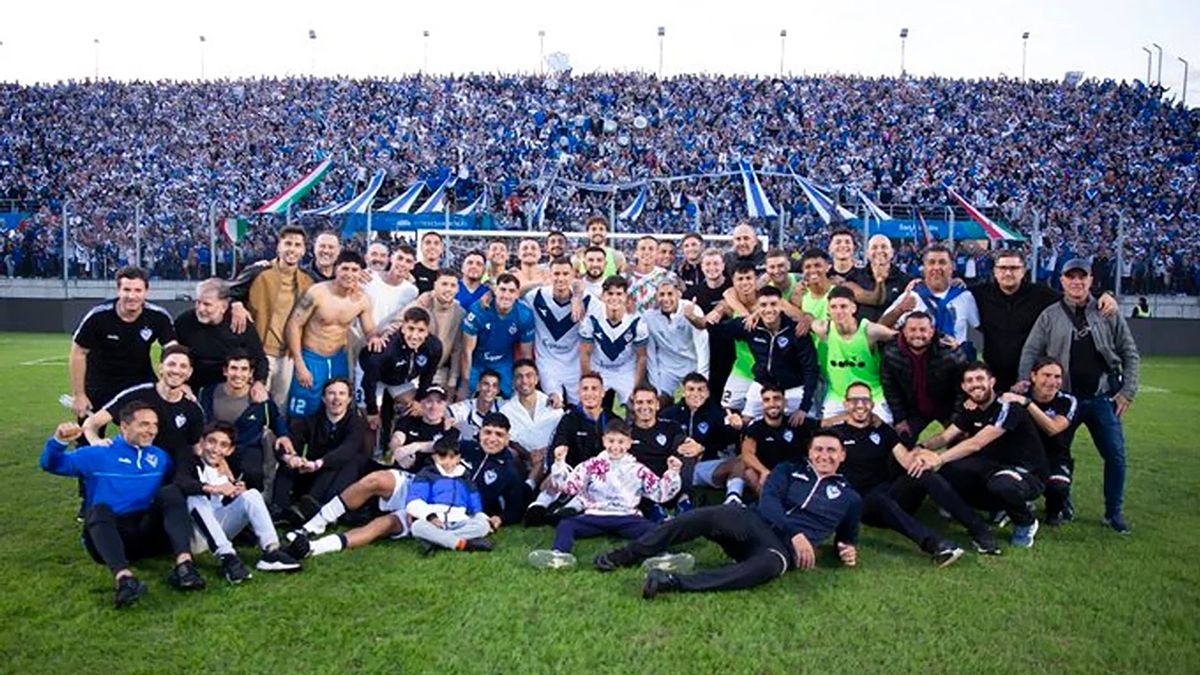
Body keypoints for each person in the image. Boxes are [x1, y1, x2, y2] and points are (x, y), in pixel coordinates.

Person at [593, 431, 861, 598]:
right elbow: (768, 503)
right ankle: (622, 556)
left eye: (831, 450)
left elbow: (846, 540)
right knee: (704, 516)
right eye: (819, 449)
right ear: (810, 452)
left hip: (778, 550)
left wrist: (846, 551)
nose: (824, 455)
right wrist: (796, 533)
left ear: (843, 455)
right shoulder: (788, 469)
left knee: (767, 567)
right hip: (753, 522)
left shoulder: (850, 498)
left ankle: (671, 583)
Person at [40, 405, 205, 608]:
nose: (151, 430)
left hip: (147, 532)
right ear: (124, 427)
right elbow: (51, 464)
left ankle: (184, 567)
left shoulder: (159, 457)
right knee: (98, 509)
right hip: (110, 535)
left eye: (155, 425)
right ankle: (124, 579)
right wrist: (58, 441)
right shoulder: (98, 454)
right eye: (144, 424)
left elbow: (183, 480)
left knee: (171, 492)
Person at [1018, 258, 1139, 533]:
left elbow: (1130, 353)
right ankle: (1061, 504)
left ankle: (1113, 511)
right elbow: (1030, 352)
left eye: (1081, 277)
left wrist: (1127, 392)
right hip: (1063, 400)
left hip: (1102, 398)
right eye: (1070, 277)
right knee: (1057, 454)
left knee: (1116, 456)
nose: (1076, 282)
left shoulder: (1108, 311)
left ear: (1090, 280)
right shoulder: (1050, 315)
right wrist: (1026, 385)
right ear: (1062, 280)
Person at [828, 382, 997, 563]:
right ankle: (936, 545)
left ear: (871, 404)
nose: (860, 405)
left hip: (891, 492)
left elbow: (906, 460)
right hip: (865, 504)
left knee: (923, 473)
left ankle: (980, 531)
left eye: (865, 400)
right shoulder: (835, 434)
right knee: (878, 499)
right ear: (846, 404)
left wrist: (921, 459)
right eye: (854, 400)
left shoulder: (883, 430)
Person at [909, 363, 1048, 548]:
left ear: (992, 382)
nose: (975, 385)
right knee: (946, 475)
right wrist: (920, 447)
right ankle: (994, 510)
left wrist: (938, 458)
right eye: (970, 381)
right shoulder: (971, 408)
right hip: (992, 467)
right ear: (964, 387)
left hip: (1026, 471)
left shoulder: (1007, 407)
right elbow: (945, 436)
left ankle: (1026, 522)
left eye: (980, 379)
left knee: (1002, 484)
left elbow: (976, 444)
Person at [529, 419, 683, 569]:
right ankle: (559, 554)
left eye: (621, 442)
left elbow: (659, 493)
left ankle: (663, 558)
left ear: (629, 443)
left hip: (627, 517)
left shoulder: (638, 469)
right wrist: (560, 464)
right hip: (596, 515)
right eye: (611, 441)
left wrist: (673, 472)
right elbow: (569, 487)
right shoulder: (591, 465)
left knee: (655, 530)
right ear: (604, 441)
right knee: (566, 524)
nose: (615, 446)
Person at [175, 422, 301, 582]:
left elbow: (226, 500)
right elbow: (181, 482)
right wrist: (214, 488)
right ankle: (228, 558)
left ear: (229, 450)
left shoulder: (225, 469)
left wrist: (235, 491)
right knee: (196, 498)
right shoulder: (190, 461)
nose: (215, 449)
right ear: (202, 442)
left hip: (220, 527)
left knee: (252, 494)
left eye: (223, 445)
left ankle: (272, 550)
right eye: (211, 441)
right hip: (196, 534)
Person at [69, 266, 176, 423]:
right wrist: (79, 395)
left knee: (148, 429)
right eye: (126, 290)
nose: (131, 296)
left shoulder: (158, 316)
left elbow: (172, 350)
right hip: (98, 383)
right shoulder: (98, 316)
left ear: (146, 291)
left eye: (138, 290)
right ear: (118, 290)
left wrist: (175, 385)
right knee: (87, 435)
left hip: (139, 381)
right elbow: (78, 353)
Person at [284, 250, 383, 418]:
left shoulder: (362, 300)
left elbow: (369, 329)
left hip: (338, 357)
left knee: (338, 406)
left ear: (360, 273)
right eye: (345, 269)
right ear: (336, 269)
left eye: (354, 270)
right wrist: (300, 363)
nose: (349, 274)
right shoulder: (317, 293)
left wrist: (374, 337)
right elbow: (294, 325)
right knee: (303, 408)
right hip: (311, 356)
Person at [706, 285, 820, 420]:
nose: (769, 309)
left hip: (793, 387)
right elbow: (718, 330)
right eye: (763, 305)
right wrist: (714, 316)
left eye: (773, 304)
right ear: (757, 308)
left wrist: (804, 407)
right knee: (746, 421)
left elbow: (810, 368)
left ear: (781, 305)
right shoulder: (751, 326)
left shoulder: (797, 331)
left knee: (802, 425)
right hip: (763, 384)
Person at [82, 345, 205, 463]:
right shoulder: (137, 394)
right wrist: (95, 441)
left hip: (169, 472)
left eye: (183, 366)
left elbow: (196, 449)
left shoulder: (193, 409)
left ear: (189, 372)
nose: (176, 370)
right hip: (135, 467)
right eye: (171, 364)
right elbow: (91, 423)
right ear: (160, 368)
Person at [273, 378, 370, 526]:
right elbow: (288, 443)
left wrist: (319, 463)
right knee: (287, 466)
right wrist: (291, 458)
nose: (336, 398)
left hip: (342, 477)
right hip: (313, 471)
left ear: (349, 399)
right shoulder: (311, 421)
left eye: (342, 394)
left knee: (348, 461)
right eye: (331, 393)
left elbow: (348, 449)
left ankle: (315, 508)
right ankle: (279, 510)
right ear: (324, 398)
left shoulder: (357, 422)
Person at [241, 225, 314, 407]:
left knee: (279, 409)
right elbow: (229, 291)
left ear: (303, 250)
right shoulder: (258, 273)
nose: (292, 249)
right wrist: (236, 303)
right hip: (259, 353)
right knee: (255, 407)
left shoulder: (307, 282)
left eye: (297, 245)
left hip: (287, 356)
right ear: (278, 247)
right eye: (288, 243)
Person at [1000, 357, 1078, 525]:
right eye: (1046, 375)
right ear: (1033, 376)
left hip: (1055, 457)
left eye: (1057, 377)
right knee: (1007, 483)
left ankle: (1055, 509)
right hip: (1024, 457)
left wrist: (1027, 403)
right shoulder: (1018, 395)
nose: (1052, 381)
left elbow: (1053, 428)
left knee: (1059, 487)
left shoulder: (1067, 400)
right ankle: (1019, 504)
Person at [527, 372, 612, 525]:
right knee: (557, 478)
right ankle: (538, 506)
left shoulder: (612, 421)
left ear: (603, 393)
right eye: (585, 389)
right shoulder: (569, 418)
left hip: (598, 474)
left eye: (594, 389)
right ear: (579, 393)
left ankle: (569, 510)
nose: (590, 393)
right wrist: (555, 469)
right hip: (572, 469)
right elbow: (559, 443)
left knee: (598, 485)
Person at [198, 351, 290, 492]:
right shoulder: (207, 393)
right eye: (234, 368)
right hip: (213, 448)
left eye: (244, 369)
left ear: (251, 373)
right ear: (225, 371)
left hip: (246, 449)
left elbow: (276, 418)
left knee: (253, 471)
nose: (238, 374)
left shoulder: (261, 399)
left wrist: (283, 435)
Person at [879, 311, 969, 443]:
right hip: (913, 409)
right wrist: (900, 419)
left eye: (923, 329)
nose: (917, 334)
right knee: (899, 444)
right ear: (903, 331)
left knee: (961, 444)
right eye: (912, 330)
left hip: (947, 407)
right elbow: (890, 387)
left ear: (932, 331)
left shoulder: (951, 353)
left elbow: (962, 389)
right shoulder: (891, 352)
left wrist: (957, 420)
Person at [812, 286, 897, 422]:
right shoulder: (824, 329)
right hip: (838, 396)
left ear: (853, 308)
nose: (838, 311)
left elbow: (900, 337)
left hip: (872, 395)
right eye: (833, 307)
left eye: (843, 306)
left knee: (883, 434)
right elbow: (807, 321)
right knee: (827, 435)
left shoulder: (869, 331)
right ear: (828, 310)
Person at [358, 307, 442, 440]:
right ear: (402, 328)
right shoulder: (386, 348)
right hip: (370, 377)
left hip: (399, 378)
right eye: (411, 328)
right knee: (370, 421)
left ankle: (398, 444)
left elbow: (428, 375)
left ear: (428, 332)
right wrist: (372, 410)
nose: (414, 336)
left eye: (421, 330)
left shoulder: (434, 346)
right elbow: (368, 383)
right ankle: (371, 453)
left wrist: (419, 400)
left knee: (420, 409)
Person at [660, 373, 744, 505]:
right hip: (676, 467)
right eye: (691, 389)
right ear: (683, 392)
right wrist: (678, 448)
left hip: (705, 466)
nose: (696, 394)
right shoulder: (669, 414)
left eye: (701, 389)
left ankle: (733, 499)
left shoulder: (717, 413)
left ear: (708, 392)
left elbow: (728, 440)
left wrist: (737, 427)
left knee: (741, 462)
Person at [883, 244, 980, 359]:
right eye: (931, 262)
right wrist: (899, 311)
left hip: (955, 366)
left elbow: (978, 330)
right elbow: (882, 325)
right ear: (924, 268)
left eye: (942, 262)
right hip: (920, 366)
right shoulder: (911, 296)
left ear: (952, 266)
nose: (936, 267)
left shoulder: (965, 297)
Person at [174, 278, 269, 393]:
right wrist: (179, 384)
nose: (200, 309)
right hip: (192, 387)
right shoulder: (184, 322)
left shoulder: (240, 323)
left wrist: (259, 383)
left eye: (207, 304)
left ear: (223, 307)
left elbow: (260, 359)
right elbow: (172, 357)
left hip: (230, 389)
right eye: (198, 302)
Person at [405, 437, 496, 555]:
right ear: (434, 457)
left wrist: (484, 518)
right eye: (442, 457)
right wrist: (431, 517)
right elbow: (414, 501)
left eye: (452, 457)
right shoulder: (427, 474)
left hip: (460, 521)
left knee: (482, 525)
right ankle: (464, 543)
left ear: (458, 458)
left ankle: (436, 542)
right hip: (436, 521)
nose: (448, 462)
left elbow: (476, 506)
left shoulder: (465, 477)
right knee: (417, 527)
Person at [524, 257, 591, 403]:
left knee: (579, 406)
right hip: (547, 364)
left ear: (573, 275)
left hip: (574, 365)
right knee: (554, 405)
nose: (560, 278)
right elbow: (514, 291)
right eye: (556, 274)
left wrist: (578, 296)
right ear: (549, 274)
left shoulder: (587, 299)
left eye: (565, 274)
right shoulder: (535, 297)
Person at [462, 273, 535, 398]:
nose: (506, 295)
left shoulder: (524, 314)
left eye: (511, 291)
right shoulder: (478, 310)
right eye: (502, 290)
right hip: (478, 361)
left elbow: (526, 355)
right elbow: (467, 351)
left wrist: (526, 381)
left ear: (517, 294)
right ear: (495, 291)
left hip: (503, 361)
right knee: (469, 392)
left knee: (509, 396)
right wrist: (465, 382)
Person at [579, 275, 649, 406]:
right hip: (599, 368)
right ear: (603, 295)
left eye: (619, 294)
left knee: (635, 406)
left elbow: (642, 357)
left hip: (625, 369)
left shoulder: (637, 322)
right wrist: (587, 380)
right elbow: (585, 353)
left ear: (626, 296)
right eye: (610, 293)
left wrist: (637, 386)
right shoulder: (591, 319)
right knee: (591, 404)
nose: (614, 298)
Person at [737, 384, 817, 493]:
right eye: (767, 400)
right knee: (749, 473)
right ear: (762, 404)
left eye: (776, 399)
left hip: (796, 473)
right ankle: (767, 504)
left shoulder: (795, 421)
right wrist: (764, 471)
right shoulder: (756, 428)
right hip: (769, 474)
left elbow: (825, 423)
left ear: (785, 402)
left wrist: (846, 416)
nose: (772, 404)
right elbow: (747, 454)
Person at [460, 413, 531, 529]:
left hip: (477, 517)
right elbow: (438, 450)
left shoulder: (511, 469)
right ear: (479, 432)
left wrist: (500, 518)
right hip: (443, 505)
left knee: (480, 526)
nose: (492, 439)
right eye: (487, 432)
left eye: (499, 434)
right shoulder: (465, 448)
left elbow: (516, 509)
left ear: (507, 439)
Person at [644, 278, 706, 397]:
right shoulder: (649, 316)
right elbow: (651, 353)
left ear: (679, 294)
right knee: (661, 403)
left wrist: (702, 377)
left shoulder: (692, 309)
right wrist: (655, 388)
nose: (666, 299)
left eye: (670, 294)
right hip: (667, 368)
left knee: (694, 402)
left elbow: (702, 346)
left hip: (692, 365)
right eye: (661, 294)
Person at [500, 360, 564, 472]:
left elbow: (563, 434)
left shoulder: (553, 405)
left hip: (555, 463)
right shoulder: (506, 411)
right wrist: (528, 455)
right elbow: (510, 441)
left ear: (536, 379)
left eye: (529, 376)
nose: (524, 381)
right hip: (524, 467)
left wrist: (548, 451)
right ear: (513, 382)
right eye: (519, 377)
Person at [411, 268, 466, 392]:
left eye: (452, 285)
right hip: (413, 370)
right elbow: (400, 321)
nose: (448, 289)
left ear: (457, 289)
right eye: (444, 284)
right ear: (435, 286)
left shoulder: (460, 313)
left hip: (440, 373)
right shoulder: (422, 304)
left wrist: (452, 380)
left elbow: (457, 349)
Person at [845, 234, 912, 323]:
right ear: (867, 253)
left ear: (892, 252)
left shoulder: (905, 280)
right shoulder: (854, 277)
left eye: (884, 247)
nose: (879, 251)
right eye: (874, 247)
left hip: (892, 334)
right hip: (861, 334)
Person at [390, 384, 456, 472]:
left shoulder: (449, 429)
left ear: (445, 406)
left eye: (439, 402)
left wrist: (415, 446)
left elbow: (443, 447)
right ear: (421, 403)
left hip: (431, 477)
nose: (434, 407)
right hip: (403, 472)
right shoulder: (408, 421)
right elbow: (397, 438)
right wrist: (398, 450)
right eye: (429, 401)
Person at [448, 370, 504, 443]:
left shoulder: (504, 407)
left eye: (494, 386)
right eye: (486, 384)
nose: (490, 389)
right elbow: (446, 413)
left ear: (498, 390)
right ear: (478, 386)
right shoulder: (465, 406)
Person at [627, 236, 674, 313]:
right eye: (643, 249)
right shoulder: (625, 277)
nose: (647, 252)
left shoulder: (669, 277)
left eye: (651, 249)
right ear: (636, 253)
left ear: (657, 253)